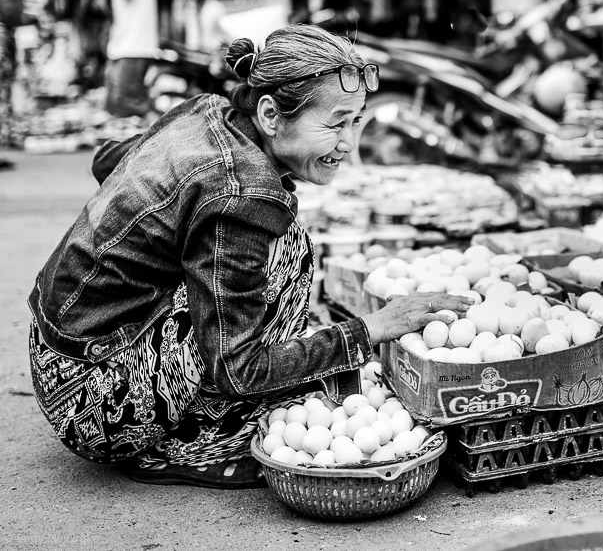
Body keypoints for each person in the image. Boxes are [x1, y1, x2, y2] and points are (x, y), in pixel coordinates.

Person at [26, 24, 469, 488]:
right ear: (271, 114)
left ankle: (195, 393)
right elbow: (240, 369)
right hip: (95, 406)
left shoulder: (207, 111)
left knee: (264, 247)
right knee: (287, 249)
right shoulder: (242, 193)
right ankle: (189, 445)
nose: (348, 144)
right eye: (335, 123)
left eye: (356, 121)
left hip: (54, 351)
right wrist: (369, 329)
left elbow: (106, 159)